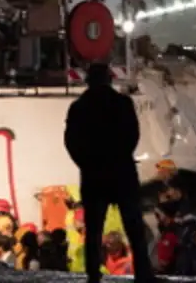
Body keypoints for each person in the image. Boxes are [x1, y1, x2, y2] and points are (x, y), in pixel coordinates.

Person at [64, 63, 156, 283]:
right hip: (122, 171)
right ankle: (143, 274)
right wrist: (120, 157)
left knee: (94, 228)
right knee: (133, 227)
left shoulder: (78, 107)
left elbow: (71, 143)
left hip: (93, 175)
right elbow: (133, 135)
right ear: (109, 79)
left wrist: (86, 164)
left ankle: (93, 275)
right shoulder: (122, 103)